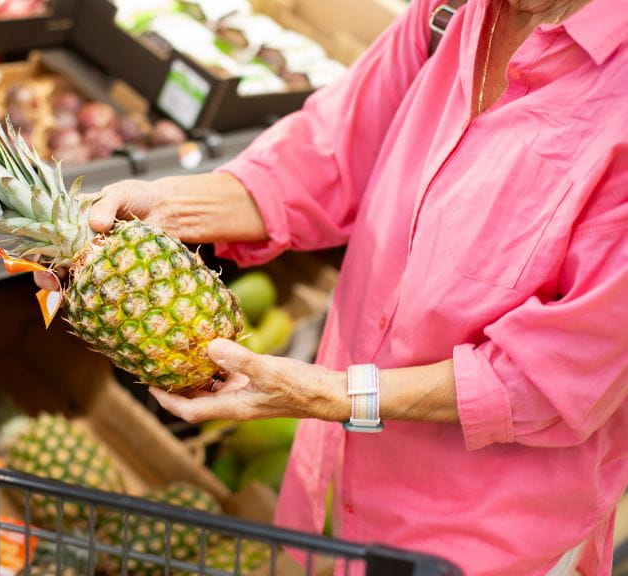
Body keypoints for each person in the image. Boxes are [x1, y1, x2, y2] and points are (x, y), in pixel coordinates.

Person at [38, 0, 627, 573]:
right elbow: (328, 154)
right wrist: (169, 204)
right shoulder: (446, 13)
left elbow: (551, 376)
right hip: (336, 484)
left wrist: (335, 396)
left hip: (483, 538)